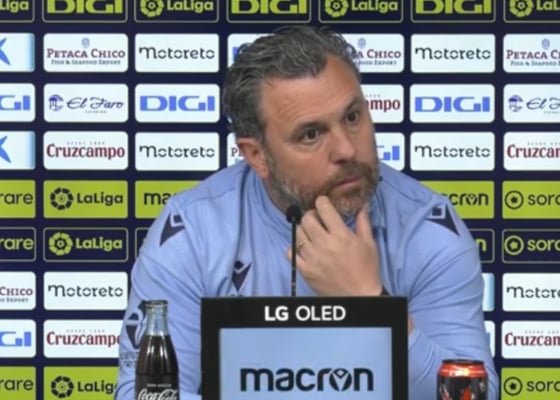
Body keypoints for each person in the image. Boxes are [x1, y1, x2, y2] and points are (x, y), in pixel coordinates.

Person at [115, 25, 498, 399]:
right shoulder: (193, 231)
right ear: (257, 155)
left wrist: (371, 304)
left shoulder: (427, 227)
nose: (347, 150)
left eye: (352, 117)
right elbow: (145, 394)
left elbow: (472, 394)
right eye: (311, 135)